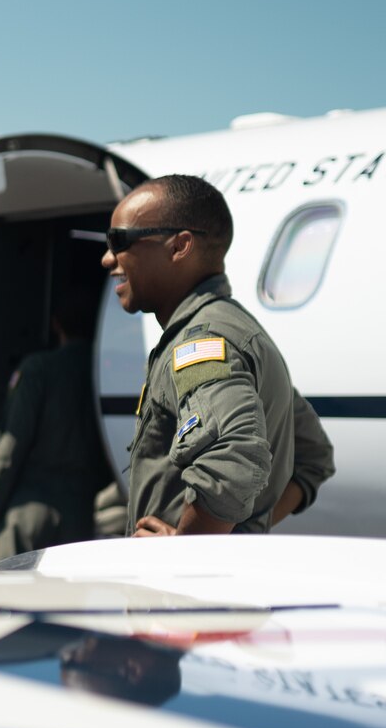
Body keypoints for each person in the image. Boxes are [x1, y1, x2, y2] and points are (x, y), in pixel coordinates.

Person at [101, 174, 333, 536]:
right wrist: (239, 533)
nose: (107, 259)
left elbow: (232, 455)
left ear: (179, 247)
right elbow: (312, 455)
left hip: (177, 589)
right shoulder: (239, 330)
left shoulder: (201, 344)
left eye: (119, 242)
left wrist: (188, 548)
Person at [0, 282, 114, 565]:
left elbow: (6, 456)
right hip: (79, 521)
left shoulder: (38, 370)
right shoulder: (103, 373)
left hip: (29, 516)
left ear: (56, 324)